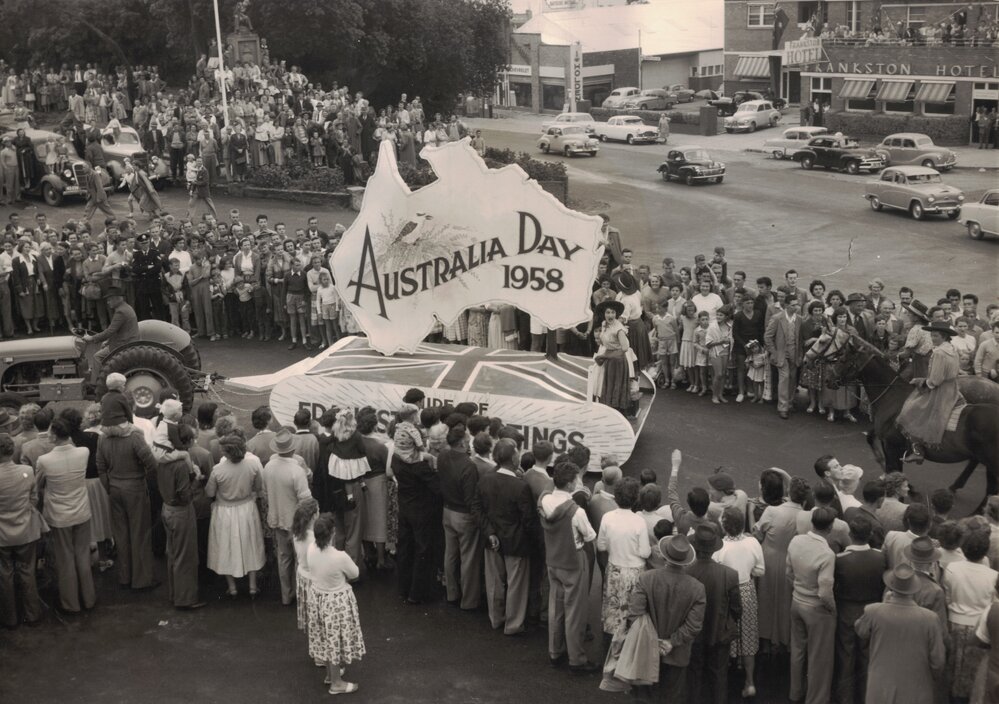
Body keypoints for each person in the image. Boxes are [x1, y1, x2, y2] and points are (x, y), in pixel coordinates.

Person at [627, 535, 705, 703]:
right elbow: (694, 626)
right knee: (672, 697)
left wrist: (651, 641)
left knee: (644, 697)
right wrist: (671, 642)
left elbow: (635, 614)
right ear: (686, 561)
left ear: (664, 556)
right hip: (677, 654)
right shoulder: (697, 588)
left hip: (645, 651)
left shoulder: (646, 578)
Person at [855, 564, 946, 704]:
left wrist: (884, 603)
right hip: (916, 689)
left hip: (880, 688)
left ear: (891, 587)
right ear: (913, 589)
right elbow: (938, 661)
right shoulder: (930, 618)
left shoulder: (873, 611)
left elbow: (861, 631)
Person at [539, 460, 598, 672]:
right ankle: (576, 658)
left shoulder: (544, 500)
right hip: (573, 562)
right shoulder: (576, 511)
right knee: (575, 611)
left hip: (553, 560)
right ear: (572, 483)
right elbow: (590, 535)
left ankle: (555, 651)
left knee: (556, 607)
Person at [36, 417, 96, 614]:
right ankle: (89, 598)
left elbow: (38, 486)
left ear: (54, 435)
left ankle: (70, 603)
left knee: (65, 559)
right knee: (82, 555)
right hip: (81, 511)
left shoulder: (44, 460)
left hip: (59, 515)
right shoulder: (83, 452)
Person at [478, 438, 536, 635]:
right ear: (513, 458)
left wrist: (489, 532)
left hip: (491, 539)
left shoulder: (485, 479)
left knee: (494, 583)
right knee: (516, 585)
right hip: (517, 542)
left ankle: (496, 618)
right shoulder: (520, 486)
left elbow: (478, 509)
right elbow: (528, 520)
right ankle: (513, 624)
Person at [96, 418, 157, 590]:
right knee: (140, 533)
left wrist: (109, 487)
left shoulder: (103, 437)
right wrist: (142, 476)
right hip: (135, 487)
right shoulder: (134, 436)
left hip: (115, 487)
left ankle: (125, 576)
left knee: (121, 534)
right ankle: (142, 579)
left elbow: (100, 466)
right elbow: (152, 464)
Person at [307, 513, 365, 695]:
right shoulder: (339, 556)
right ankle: (336, 683)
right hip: (336, 602)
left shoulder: (311, 549)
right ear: (332, 533)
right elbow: (355, 573)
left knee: (325, 637)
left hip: (318, 598)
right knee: (335, 640)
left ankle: (330, 674)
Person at [786, 506, 837, 704]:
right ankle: (815, 699)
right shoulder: (827, 553)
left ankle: (795, 692)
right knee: (819, 658)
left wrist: (798, 589)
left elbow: (788, 572)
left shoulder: (796, 540)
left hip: (797, 601)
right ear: (830, 527)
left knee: (797, 651)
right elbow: (825, 591)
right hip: (816, 608)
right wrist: (832, 608)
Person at [833, 516, 886, 704]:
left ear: (850, 534)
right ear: (869, 534)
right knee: (866, 657)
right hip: (871, 611)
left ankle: (845, 699)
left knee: (845, 656)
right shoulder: (880, 558)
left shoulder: (840, 560)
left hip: (846, 610)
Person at [686, 524, 741, 704]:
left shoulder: (687, 571)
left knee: (694, 674)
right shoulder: (729, 574)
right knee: (719, 676)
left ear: (696, 547)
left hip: (693, 633)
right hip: (719, 632)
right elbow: (737, 608)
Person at [942, 530, 999, 701]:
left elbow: (948, 597)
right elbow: (992, 602)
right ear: (985, 552)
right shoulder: (993, 576)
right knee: (975, 674)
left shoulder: (952, 569)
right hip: (979, 626)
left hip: (956, 623)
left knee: (954, 670)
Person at [206, 434, 266, 598]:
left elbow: (210, 492)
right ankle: (253, 586)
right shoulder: (252, 465)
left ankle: (232, 587)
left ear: (227, 453)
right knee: (251, 544)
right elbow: (259, 487)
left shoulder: (218, 470)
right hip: (247, 508)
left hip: (225, 511)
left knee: (225, 546)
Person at [714, 506, 764, 697]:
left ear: (725, 525)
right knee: (749, 635)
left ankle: (725, 681)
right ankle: (750, 682)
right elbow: (760, 570)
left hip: (727, 593)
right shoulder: (753, 543)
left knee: (726, 633)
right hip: (747, 590)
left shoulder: (720, 547)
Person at [898, 319, 965, 462]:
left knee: (912, 410)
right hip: (952, 387)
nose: (933, 338)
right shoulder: (952, 349)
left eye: (936, 336)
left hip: (941, 391)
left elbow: (935, 380)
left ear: (944, 337)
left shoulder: (939, 352)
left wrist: (922, 382)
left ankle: (917, 450)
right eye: (932, 335)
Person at [156, 422, 205, 610]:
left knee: (173, 553)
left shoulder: (163, 460)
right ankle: (185, 598)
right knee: (186, 556)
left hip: (167, 508)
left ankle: (175, 593)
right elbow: (185, 496)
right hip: (181, 512)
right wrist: (197, 479)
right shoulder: (181, 465)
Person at [754, 475, 806, 649]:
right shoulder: (805, 516)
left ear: (789, 492)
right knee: (785, 601)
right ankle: (784, 640)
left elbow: (759, 533)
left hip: (768, 557)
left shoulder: (772, 511)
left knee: (765, 598)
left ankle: (764, 639)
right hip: (790, 560)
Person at [262, 428, 312, 606]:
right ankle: (300, 595)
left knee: (283, 558)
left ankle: (286, 595)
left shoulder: (268, 466)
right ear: (292, 449)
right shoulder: (296, 469)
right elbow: (306, 499)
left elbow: (266, 492)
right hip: (296, 521)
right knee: (300, 558)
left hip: (277, 518)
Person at [596, 478, 651, 638]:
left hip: (614, 569)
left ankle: (612, 643)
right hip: (635, 572)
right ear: (636, 498)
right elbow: (645, 553)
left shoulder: (607, 517)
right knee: (632, 612)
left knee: (614, 609)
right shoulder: (639, 521)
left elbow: (601, 546)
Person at [437, 426, 484, 611]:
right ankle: (469, 601)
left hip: (447, 510)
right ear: (463, 443)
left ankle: (452, 593)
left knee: (450, 554)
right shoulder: (468, 465)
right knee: (468, 558)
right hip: (463, 515)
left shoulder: (442, 456)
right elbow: (471, 497)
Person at [0, 432, 45, 626]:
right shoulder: (26, 471)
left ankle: (9, 618)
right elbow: (34, 499)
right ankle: (33, 614)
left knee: (5, 573)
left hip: (2, 534)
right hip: (26, 529)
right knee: (27, 570)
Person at [84, 287, 138, 382]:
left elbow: (110, 331)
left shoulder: (121, 312)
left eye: (109, 300)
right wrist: (108, 341)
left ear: (116, 298)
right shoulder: (126, 307)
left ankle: (95, 384)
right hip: (126, 341)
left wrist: (91, 338)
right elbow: (118, 330)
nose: (108, 302)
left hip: (123, 345)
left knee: (97, 357)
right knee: (103, 350)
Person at [764, 294, 803, 419]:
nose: (796, 307)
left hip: (795, 354)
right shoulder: (777, 318)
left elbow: (800, 339)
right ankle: (783, 407)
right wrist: (774, 353)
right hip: (781, 354)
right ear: (786, 305)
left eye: (797, 304)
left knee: (792, 379)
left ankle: (790, 403)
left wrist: (800, 355)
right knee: (784, 378)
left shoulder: (799, 319)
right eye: (793, 305)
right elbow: (767, 337)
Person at [592, 300, 633, 416]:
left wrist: (606, 355)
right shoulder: (604, 324)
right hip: (609, 359)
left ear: (616, 314)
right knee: (608, 384)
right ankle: (608, 412)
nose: (610, 315)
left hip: (618, 361)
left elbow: (625, 348)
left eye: (613, 312)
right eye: (608, 312)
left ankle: (617, 413)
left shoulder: (619, 328)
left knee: (616, 385)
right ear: (604, 314)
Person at [292, 497, 319, 654]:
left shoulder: (297, 534)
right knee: (318, 619)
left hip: (302, 577)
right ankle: (320, 655)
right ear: (314, 515)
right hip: (314, 580)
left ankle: (313, 648)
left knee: (311, 619)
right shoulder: (313, 539)